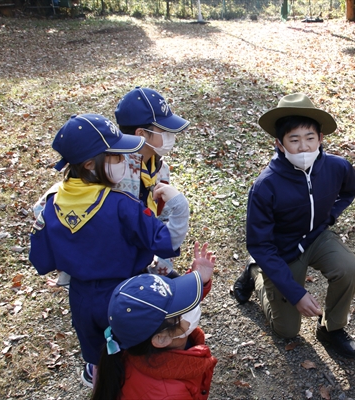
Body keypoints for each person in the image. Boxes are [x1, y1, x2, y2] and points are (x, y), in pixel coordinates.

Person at [29, 114, 190, 388]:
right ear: (91, 165)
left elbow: (41, 261)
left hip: (80, 298)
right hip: (126, 294)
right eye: (115, 156)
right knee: (133, 352)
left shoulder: (50, 205)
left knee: (96, 354)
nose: (123, 162)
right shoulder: (122, 205)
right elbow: (166, 242)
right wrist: (179, 206)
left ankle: (98, 379)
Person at [232, 93, 355, 358]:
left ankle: (331, 328)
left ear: (321, 138)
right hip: (282, 250)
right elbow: (260, 243)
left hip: (316, 238)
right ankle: (255, 273)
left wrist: (330, 216)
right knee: (287, 330)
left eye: (309, 138)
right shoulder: (265, 185)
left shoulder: (337, 166)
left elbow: (351, 190)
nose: (303, 147)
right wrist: (296, 294)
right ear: (280, 144)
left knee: (349, 268)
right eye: (294, 140)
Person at [92, 242, 217, 400]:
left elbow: (163, 309)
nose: (191, 309)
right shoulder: (169, 395)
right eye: (183, 309)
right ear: (161, 338)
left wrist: (199, 280)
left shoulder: (134, 342)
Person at [114, 86, 191, 277]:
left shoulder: (158, 166)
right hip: (117, 271)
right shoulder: (115, 171)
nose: (171, 136)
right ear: (141, 134)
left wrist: (161, 268)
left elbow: (161, 220)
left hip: (148, 262)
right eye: (164, 130)